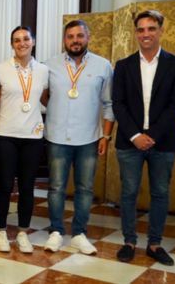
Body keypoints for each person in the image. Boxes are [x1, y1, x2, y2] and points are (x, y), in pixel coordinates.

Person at [112, 10, 175, 266]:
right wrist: (135, 135)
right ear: (136, 33)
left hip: (163, 142)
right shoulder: (123, 66)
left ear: (160, 31)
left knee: (160, 193)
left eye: (151, 28)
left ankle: (154, 244)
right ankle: (129, 241)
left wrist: (151, 135)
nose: (146, 34)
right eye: (141, 29)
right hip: (129, 141)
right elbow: (118, 103)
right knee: (129, 192)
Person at [41, 20, 114, 255]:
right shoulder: (49, 65)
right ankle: (56, 231)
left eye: (79, 36)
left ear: (88, 37)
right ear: (65, 40)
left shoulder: (103, 66)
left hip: (89, 138)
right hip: (57, 137)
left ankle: (80, 233)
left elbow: (109, 103)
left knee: (85, 188)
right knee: (56, 187)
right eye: (70, 36)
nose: (75, 40)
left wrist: (106, 135)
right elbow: (42, 96)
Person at [0, 26, 48, 253]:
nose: (21, 43)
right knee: (5, 185)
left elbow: (44, 98)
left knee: (27, 187)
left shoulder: (44, 70)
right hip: (6, 134)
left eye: (26, 39)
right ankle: (1, 231)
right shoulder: (0, 70)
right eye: (16, 40)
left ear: (33, 41)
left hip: (33, 136)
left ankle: (23, 231)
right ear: (11, 44)